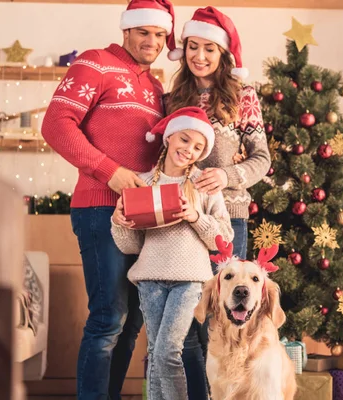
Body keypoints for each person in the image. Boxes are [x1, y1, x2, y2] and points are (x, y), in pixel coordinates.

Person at [41, 0, 180, 397]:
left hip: (145, 215)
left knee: (134, 319)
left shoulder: (155, 86)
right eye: (144, 32)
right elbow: (56, 125)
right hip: (100, 207)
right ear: (127, 31)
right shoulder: (94, 63)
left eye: (159, 35)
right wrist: (110, 172)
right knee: (109, 317)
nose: (152, 41)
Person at [165, 6, 271, 399]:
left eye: (209, 48)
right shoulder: (172, 97)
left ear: (223, 53)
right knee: (188, 319)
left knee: (224, 318)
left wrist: (227, 176)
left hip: (229, 220)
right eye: (193, 47)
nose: (200, 56)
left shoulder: (243, 96)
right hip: (179, 220)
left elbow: (262, 159)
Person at [111, 106, 234, 400]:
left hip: (189, 281)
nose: (188, 150)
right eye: (184, 140)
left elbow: (223, 240)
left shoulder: (203, 185)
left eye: (197, 147)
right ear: (169, 138)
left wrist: (195, 216)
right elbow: (131, 246)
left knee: (167, 350)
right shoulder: (140, 182)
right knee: (155, 353)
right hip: (150, 279)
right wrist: (119, 222)